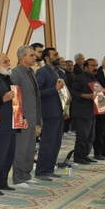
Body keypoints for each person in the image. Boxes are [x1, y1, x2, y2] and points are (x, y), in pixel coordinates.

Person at [0, 54, 25, 195]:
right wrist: (2, 99)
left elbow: (16, 101)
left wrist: (22, 117)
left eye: (9, 61)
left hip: (12, 123)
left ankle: (2, 181)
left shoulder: (9, 79)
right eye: (5, 62)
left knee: (9, 156)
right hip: (0, 125)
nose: (9, 64)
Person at [11, 45, 42, 187]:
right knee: (21, 148)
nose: (35, 57)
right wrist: (20, 117)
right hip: (22, 118)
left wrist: (38, 119)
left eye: (34, 55)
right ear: (22, 57)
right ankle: (18, 177)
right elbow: (15, 97)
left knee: (30, 147)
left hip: (32, 116)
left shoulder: (31, 72)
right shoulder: (16, 73)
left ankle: (26, 174)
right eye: (31, 55)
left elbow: (35, 97)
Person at [35, 47, 66, 179]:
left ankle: (49, 169)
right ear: (47, 58)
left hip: (59, 111)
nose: (58, 57)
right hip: (49, 111)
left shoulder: (57, 71)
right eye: (55, 55)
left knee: (56, 142)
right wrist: (55, 89)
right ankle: (41, 171)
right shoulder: (42, 72)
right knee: (48, 142)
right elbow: (38, 92)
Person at [71, 58, 101, 164]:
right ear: (86, 67)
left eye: (96, 65)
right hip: (82, 112)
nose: (95, 68)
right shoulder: (80, 78)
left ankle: (85, 155)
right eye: (92, 66)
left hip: (92, 112)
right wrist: (86, 96)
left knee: (90, 137)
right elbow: (72, 91)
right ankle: (79, 157)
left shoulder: (94, 79)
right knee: (82, 137)